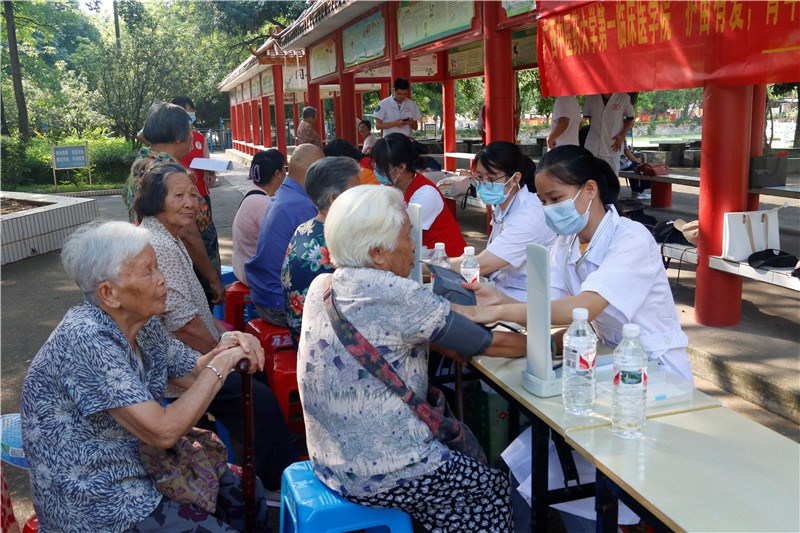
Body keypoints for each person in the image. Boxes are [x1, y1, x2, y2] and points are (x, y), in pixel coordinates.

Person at [297, 184, 528, 532]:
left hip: (330, 458)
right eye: (407, 236)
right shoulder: (399, 294)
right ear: (377, 252)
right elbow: (488, 343)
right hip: (382, 471)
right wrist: (552, 342)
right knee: (491, 487)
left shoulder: (323, 286)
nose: (413, 246)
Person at [21, 221, 269, 532]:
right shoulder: (85, 339)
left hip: (142, 464)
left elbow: (195, 374)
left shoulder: (143, 324)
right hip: (98, 498)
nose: (162, 278)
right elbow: (163, 432)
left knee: (247, 491)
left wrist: (230, 345)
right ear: (108, 293)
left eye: (157, 267)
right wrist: (224, 362)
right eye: (148, 271)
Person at [456, 145, 692, 381]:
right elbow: (550, 304)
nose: (548, 208)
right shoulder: (567, 241)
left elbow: (585, 306)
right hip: (609, 355)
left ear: (590, 189)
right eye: (543, 201)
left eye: (556, 198)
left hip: (656, 363)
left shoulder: (631, 238)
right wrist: (500, 299)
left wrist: (494, 311)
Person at [135, 163, 298, 494]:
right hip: (178, 366)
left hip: (187, 354)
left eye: (193, 195)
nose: (191, 203)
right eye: (179, 196)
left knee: (260, 377)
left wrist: (228, 340)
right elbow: (183, 325)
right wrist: (224, 355)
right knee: (261, 401)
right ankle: (275, 485)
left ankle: (266, 462)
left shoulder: (168, 235)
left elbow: (191, 316)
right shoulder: (159, 244)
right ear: (155, 200)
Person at [124, 102, 224, 308]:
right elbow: (188, 233)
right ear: (179, 136)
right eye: (189, 130)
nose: (192, 135)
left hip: (156, 260)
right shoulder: (166, 174)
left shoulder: (142, 162)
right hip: (182, 266)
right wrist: (212, 279)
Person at [449, 142, 557, 302]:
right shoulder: (504, 206)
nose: (483, 184)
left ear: (515, 179)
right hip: (507, 288)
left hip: (530, 298)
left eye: (491, 178)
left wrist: (428, 265)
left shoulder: (529, 216)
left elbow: (483, 264)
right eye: (479, 177)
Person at [281, 157, 362, 342]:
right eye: (356, 193)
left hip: (304, 334)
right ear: (333, 198)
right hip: (324, 344)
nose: (361, 200)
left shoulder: (304, 228)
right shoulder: (336, 241)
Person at [245, 144, 325, 326]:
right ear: (314, 173)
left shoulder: (285, 193)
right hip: (278, 303)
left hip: (263, 292)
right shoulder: (302, 206)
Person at [372, 133, 466, 257]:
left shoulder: (426, 193)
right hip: (422, 259)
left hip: (447, 262)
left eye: (382, 166)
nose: (377, 170)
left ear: (401, 167)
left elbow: (398, 233)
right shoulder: (392, 187)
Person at [232, 149, 286, 285]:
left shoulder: (254, 192)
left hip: (243, 267)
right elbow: (279, 243)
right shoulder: (263, 203)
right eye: (284, 169)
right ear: (277, 174)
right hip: (255, 275)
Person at [173, 96, 217, 196]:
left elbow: (207, 163)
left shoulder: (200, 138)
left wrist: (211, 173)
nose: (191, 113)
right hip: (178, 196)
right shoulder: (167, 138)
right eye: (187, 110)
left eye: (192, 110)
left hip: (201, 194)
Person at [583, 93, 635, 175]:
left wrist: (622, 135)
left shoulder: (624, 98)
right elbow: (589, 118)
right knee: (592, 176)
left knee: (611, 177)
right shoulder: (591, 97)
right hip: (593, 145)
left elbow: (631, 119)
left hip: (613, 145)